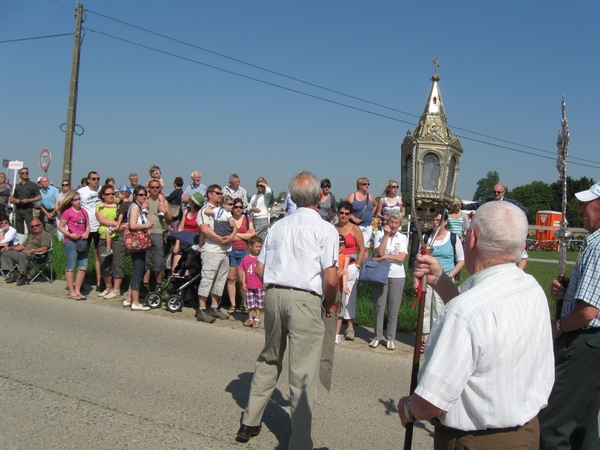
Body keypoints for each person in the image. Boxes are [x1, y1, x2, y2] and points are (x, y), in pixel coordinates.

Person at [398, 201, 554, 449]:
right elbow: (483, 324)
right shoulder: (532, 288)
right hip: (527, 435)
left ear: (472, 240)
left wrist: (408, 408)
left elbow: (431, 402)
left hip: (474, 441)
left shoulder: (465, 313)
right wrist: (441, 281)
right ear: (522, 246)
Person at [237, 171, 338, 450]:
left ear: (292, 197)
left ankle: (249, 421)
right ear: (320, 197)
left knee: (269, 358)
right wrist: (329, 303)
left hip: (274, 295)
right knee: (302, 372)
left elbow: (259, 267)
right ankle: (300, 443)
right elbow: (331, 278)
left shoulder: (278, 227)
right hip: (305, 299)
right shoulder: (326, 230)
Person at [539, 181, 600, 449]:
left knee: (552, 426)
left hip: (582, 343)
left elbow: (588, 311)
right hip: (592, 345)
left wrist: (560, 326)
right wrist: (568, 291)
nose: (582, 209)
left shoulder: (598, 246)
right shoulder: (593, 244)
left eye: (588, 203)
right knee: (583, 426)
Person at [421, 211, 464, 351]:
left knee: (439, 310)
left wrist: (450, 275)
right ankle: (425, 339)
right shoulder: (426, 237)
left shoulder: (453, 238)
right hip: (427, 279)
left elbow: (461, 260)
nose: (435, 223)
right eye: (433, 220)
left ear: (445, 222)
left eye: (438, 220)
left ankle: (437, 339)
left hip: (444, 279)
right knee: (426, 308)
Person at [195, 184, 237, 324]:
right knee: (208, 278)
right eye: (218, 193)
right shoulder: (205, 211)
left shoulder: (223, 210)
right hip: (212, 250)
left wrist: (231, 237)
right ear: (210, 194)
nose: (220, 195)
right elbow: (205, 230)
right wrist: (220, 239)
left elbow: (233, 225)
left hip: (225, 250)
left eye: (221, 193)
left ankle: (214, 307)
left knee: (220, 280)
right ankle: (201, 309)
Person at [370, 210, 407, 351]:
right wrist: (385, 235)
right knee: (379, 306)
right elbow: (379, 251)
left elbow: (402, 258)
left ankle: (391, 337)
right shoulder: (379, 234)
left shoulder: (402, 238)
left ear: (399, 224)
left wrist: (384, 257)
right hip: (380, 274)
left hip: (397, 275)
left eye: (396, 223)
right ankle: (377, 336)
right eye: (391, 221)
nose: (393, 225)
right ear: (387, 222)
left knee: (394, 308)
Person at [334, 200, 366, 343]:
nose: (344, 216)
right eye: (341, 213)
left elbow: (362, 249)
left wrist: (358, 266)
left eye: (347, 214)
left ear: (350, 215)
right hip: (336, 266)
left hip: (351, 266)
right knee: (335, 296)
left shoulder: (355, 229)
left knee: (349, 297)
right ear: (337, 213)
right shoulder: (333, 228)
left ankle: (350, 327)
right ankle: (334, 327)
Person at [122, 186, 152, 311]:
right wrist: (147, 225)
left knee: (138, 269)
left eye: (145, 194)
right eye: (140, 194)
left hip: (139, 244)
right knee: (137, 272)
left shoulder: (137, 208)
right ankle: (135, 302)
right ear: (135, 195)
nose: (143, 197)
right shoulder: (135, 208)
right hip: (137, 244)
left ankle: (129, 298)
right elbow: (133, 225)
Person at [58, 190, 90, 300]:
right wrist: (70, 235)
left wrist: (86, 232)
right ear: (70, 201)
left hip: (82, 240)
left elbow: (87, 225)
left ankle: (77, 289)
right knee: (71, 266)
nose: (78, 201)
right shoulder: (68, 212)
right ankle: (71, 291)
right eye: (75, 199)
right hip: (71, 240)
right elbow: (61, 227)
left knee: (83, 266)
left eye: (79, 199)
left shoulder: (84, 211)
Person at [142, 179, 172, 291]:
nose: (155, 189)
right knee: (145, 261)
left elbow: (169, 221)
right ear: (148, 188)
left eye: (157, 187)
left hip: (158, 233)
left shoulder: (164, 201)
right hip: (145, 233)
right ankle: (145, 287)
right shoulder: (144, 199)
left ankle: (158, 287)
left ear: (160, 188)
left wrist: (165, 211)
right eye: (152, 187)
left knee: (158, 262)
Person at [95, 184, 125, 299]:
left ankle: (116, 289)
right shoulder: (100, 206)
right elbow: (101, 219)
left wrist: (120, 225)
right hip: (103, 237)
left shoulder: (118, 206)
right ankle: (108, 287)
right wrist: (116, 224)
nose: (111, 196)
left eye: (112, 193)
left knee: (117, 263)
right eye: (108, 194)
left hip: (117, 237)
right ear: (103, 195)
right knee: (104, 263)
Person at [1, 218, 51, 286]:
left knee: (23, 254)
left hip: (37, 257)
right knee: (5, 251)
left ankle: (23, 275)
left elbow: (45, 248)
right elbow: (21, 246)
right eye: (32, 226)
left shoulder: (45, 235)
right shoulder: (31, 235)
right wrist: (10, 248)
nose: (34, 227)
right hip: (24, 255)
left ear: (41, 225)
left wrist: (32, 250)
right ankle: (13, 273)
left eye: (36, 225)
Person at [227, 197, 255, 314]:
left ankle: (245, 304)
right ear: (232, 208)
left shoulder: (247, 220)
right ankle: (233, 304)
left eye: (240, 207)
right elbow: (228, 237)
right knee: (231, 279)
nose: (238, 209)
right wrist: (243, 234)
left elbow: (252, 235)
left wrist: (235, 234)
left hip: (243, 251)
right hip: (231, 250)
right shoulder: (228, 219)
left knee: (243, 280)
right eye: (236, 207)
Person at [78, 171, 103, 291]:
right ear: (88, 180)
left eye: (98, 178)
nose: (96, 181)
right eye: (94, 179)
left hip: (99, 227)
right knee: (83, 253)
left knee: (98, 255)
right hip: (86, 227)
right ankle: (80, 281)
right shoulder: (82, 192)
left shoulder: (102, 190)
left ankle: (99, 282)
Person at [239, 235, 264, 328]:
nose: (258, 249)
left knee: (259, 302)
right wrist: (243, 283)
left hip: (259, 285)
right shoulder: (246, 258)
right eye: (256, 246)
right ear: (251, 246)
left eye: (260, 246)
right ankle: (250, 317)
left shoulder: (262, 258)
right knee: (250, 303)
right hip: (250, 285)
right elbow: (243, 270)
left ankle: (257, 318)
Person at [346, 176, 378, 248]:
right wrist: (353, 218)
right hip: (357, 226)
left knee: (365, 248)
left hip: (368, 226)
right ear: (359, 185)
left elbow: (376, 205)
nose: (367, 185)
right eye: (364, 184)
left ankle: (365, 259)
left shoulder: (369, 196)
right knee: (357, 247)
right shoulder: (352, 195)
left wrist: (372, 213)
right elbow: (345, 208)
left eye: (368, 184)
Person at [10, 167, 41, 235]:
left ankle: (31, 242)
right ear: (20, 175)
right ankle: (21, 243)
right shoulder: (18, 186)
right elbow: (14, 198)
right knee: (19, 229)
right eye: (23, 173)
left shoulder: (33, 185)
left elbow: (39, 197)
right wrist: (16, 200)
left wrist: (29, 200)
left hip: (27, 209)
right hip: (18, 209)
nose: (25, 174)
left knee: (31, 228)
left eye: (26, 173)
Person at [462, 183, 528, 214]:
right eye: (494, 192)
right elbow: (475, 205)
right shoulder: (488, 202)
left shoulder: (510, 203)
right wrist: (461, 206)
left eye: (498, 192)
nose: (496, 194)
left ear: (503, 192)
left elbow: (524, 210)